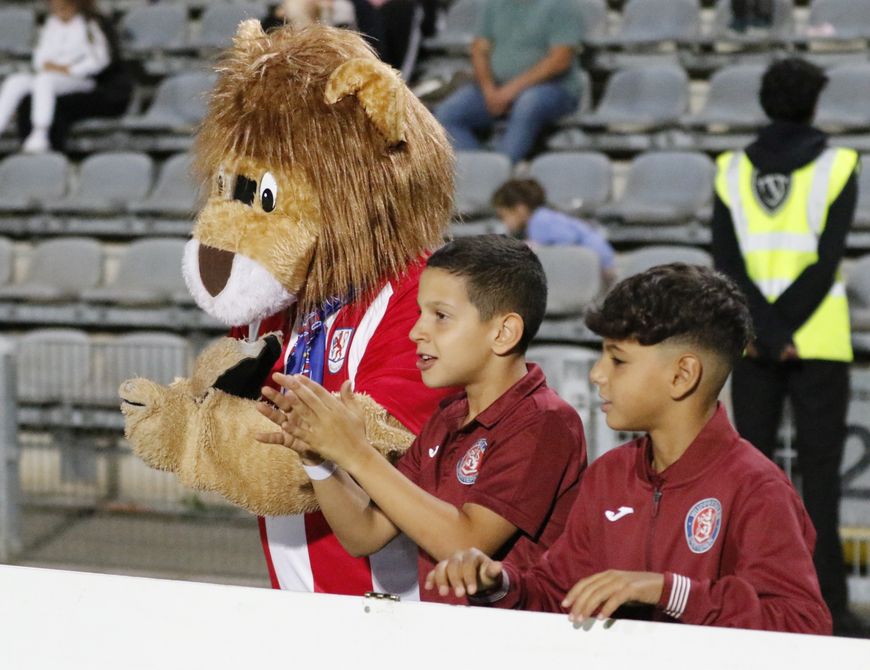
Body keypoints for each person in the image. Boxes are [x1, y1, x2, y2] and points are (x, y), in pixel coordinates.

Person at [425, 263, 832, 635]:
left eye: (618, 360)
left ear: (683, 374)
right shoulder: (610, 473)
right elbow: (558, 594)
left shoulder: (757, 488)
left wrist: (668, 592)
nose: (597, 374)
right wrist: (499, 583)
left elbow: (802, 625)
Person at [256, 235, 587, 603]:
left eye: (440, 316)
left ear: (503, 332)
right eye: (419, 314)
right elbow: (364, 533)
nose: (416, 332)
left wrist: (356, 452)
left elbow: (465, 543)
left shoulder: (546, 422)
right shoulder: (448, 418)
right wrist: (318, 458)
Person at [711, 57, 865, 637]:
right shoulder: (839, 164)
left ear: (765, 103)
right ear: (814, 105)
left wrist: (764, 334)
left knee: (749, 474)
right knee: (820, 477)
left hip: (751, 342)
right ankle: (830, 609)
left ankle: (749, 599)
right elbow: (825, 262)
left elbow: (726, 262)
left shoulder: (727, 168)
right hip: (818, 339)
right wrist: (790, 333)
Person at [434, 0, 583, 164]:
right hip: (495, 87)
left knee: (528, 104)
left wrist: (510, 92)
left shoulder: (562, 5)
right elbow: (479, 50)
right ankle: (481, 171)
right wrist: (489, 90)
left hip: (553, 89)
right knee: (447, 114)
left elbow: (560, 60)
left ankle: (503, 167)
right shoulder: (493, 4)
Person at [15, 6, 131, 153]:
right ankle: (30, 152)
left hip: (103, 90)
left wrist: (69, 70)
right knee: (29, 101)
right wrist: (55, 68)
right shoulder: (52, 25)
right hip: (64, 83)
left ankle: (53, 154)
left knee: (55, 105)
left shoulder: (95, 24)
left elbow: (101, 61)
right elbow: (43, 58)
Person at [492, 178, 616, 282]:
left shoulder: (540, 221)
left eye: (503, 216)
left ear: (520, 209)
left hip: (600, 268)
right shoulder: (543, 217)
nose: (504, 222)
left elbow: (569, 239)